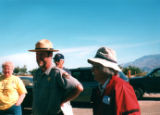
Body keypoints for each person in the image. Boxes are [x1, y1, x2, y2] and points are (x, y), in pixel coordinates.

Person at [28, 39, 83, 115]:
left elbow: (78, 88)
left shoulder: (57, 73)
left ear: (50, 55)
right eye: (37, 54)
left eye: (41, 54)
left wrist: (63, 101)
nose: (38, 57)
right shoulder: (37, 73)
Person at [87, 47, 140, 115]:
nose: (92, 70)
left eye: (96, 66)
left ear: (108, 69)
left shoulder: (121, 87)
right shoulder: (100, 88)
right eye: (92, 66)